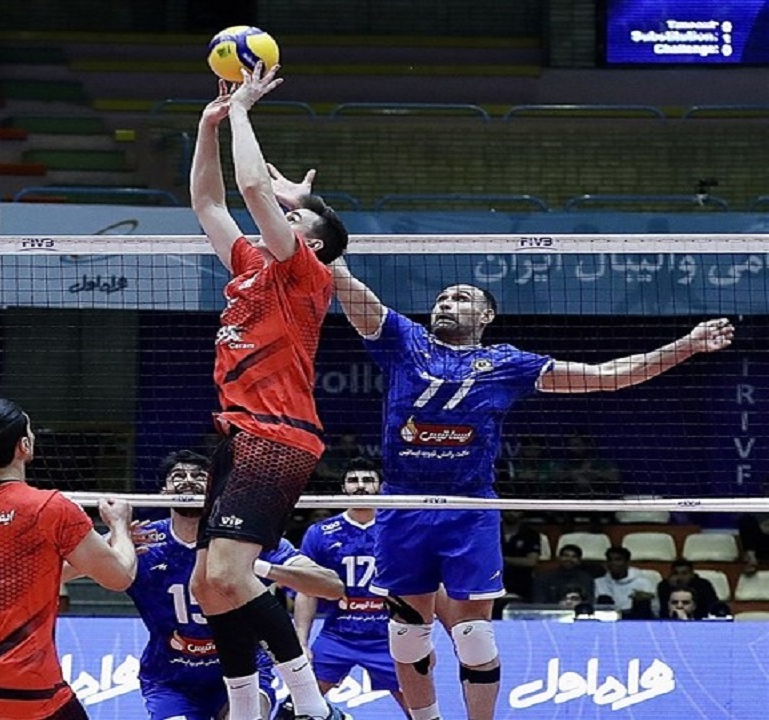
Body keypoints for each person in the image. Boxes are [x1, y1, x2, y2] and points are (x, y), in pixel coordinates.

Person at [272, 166, 735, 720]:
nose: (447, 303)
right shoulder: (402, 340)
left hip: (469, 508)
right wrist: (310, 210)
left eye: (461, 298)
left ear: (487, 315)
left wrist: (685, 346)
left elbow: (609, 376)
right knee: (406, 633)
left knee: (473, 636)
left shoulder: (510, 364)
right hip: (403, 504)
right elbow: (339, 275)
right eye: (442, 297)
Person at [188, 63, 349, 720]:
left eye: (293, 215)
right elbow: (209, 204)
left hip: (276, 434)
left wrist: (244, 109)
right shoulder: (252, 264)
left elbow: (252, 187)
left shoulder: (305, 272)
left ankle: (311, 707)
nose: (279, 215)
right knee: (208, 586)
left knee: (229, 576)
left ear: (312, 240)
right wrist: (208, 126)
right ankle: (246, 710)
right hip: (239, 434)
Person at [0, 398, 139, 720]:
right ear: (24, 445)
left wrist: (98, 550)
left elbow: (16, 577)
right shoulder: (50, 508)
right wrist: (119, 527)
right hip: (19, 684)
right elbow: (120, 577)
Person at [115, 450, 345, 720]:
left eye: (199, 476)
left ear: (215, 488)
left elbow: (332, 587)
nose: (188, 481)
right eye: (178, 476)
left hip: (247, 666)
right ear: (164, 491)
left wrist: (258, 567)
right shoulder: (144, 541)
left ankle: (312, 706)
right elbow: (78, 568)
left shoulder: (246, 540)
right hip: (171, 678)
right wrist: (115, 538)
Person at [293, 459, 411, 719]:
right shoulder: (321, 533)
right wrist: (302, 643)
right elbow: (306, 590)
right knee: (299, 707)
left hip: (389, 638)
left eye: (368, 480)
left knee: (420, 710)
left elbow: (419, 587)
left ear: (380, 487)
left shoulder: (398, 531)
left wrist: (421, 639)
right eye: (353, 480)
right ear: (343, 487)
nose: (360, 486)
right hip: (337, 636)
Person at [594, 546, 657, 619]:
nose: (612, 563)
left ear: (627, 562)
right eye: (610, 560)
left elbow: (654, 610)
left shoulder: (643, 583)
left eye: (618, 560)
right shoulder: (599, 583)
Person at [532, 544, 598, 605]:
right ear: (559, 558)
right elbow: (539, 602)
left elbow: (588, 602)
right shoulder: (544, 578)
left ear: (579, 561)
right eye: (566, 556)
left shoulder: (586, 579)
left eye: (574, 557)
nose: (569, 559)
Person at [500, 511, 542, 603]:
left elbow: (531, 561)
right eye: (508, 510)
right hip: (496, 581)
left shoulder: (530, 534)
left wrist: (502, 560)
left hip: (522, 583)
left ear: (522, 513)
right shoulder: (492, 532)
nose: (511, 513)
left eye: (515, 511)